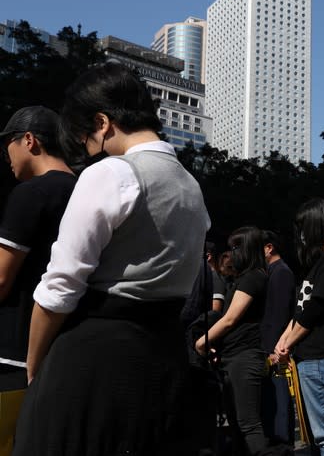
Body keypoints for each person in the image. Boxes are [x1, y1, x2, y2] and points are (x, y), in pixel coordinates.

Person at [13, 62, 210, 455]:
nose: (88, 150)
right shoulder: (192, 187)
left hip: (92, 365)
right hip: (163, 363)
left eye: (86, 139)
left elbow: (59, 289)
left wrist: (35, 368)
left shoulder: (112, 174)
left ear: (103, 123)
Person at [0, 106, 75, 392]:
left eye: (7, 147)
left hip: (13, 351)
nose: (7, 159)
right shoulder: (85, 190)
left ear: (29, 140)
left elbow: (2, 279)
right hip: (61, 349)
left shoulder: (31, 193)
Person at [275, 198, 324, 456]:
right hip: (315, 358)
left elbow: (315, 307)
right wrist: (284, 338)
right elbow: (302, 308)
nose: (301, 235)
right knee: (323, 435)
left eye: (303, 228)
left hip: (323, 356)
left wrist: (288, 342)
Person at [196, 227, 270, 456]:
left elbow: (230, 319)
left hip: (244, 357)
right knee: (237, 426)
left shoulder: (253, 277)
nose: (231, 253)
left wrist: (201, 343)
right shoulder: (246, 278)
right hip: (233, 357)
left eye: (236, 247)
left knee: (248, 424)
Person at [261, 230, 297, 455]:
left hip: (277, 350)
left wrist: (276, 347)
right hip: (271, 348)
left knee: (280, 406)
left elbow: (280, 314)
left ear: (269, 247)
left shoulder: (281, 272)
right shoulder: (272, 272)